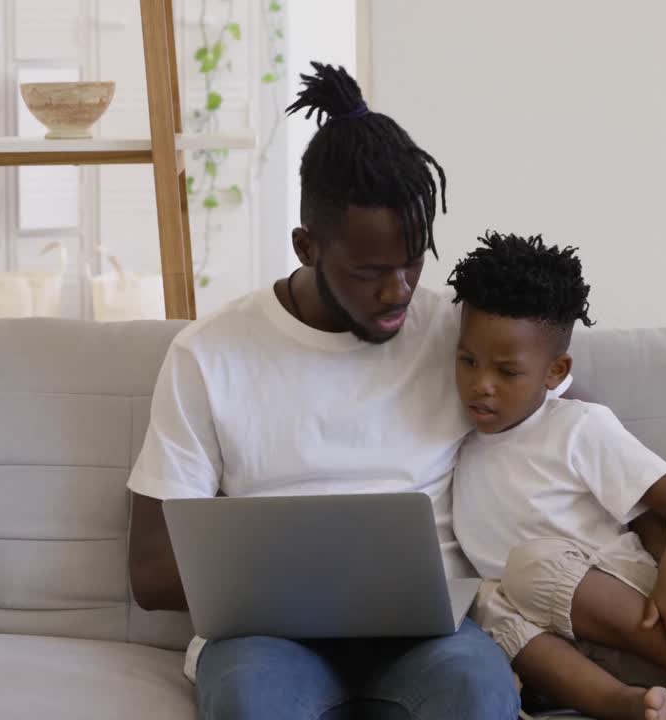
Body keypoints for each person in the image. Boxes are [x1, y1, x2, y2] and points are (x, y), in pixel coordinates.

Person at [127, 60, 516, 720]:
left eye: (413, 260)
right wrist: (286, 581)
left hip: (426, 639)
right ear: (307, 246)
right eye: (370, 272)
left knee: (480, 693)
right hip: (267, 642)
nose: (399, 292)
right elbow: (152, 571)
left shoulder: (458, 337)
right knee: (249, 699)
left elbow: (573, 431)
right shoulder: (210, 354)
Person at [448, 232, 666, 720]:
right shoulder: (461, 440)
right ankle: (627, 705)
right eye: (467, 362)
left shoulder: (577, 426)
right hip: (564, 644)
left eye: (507, 372)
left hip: (638, 610)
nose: (480, 385)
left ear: (555, 371)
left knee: (529, 567)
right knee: (483, 601)